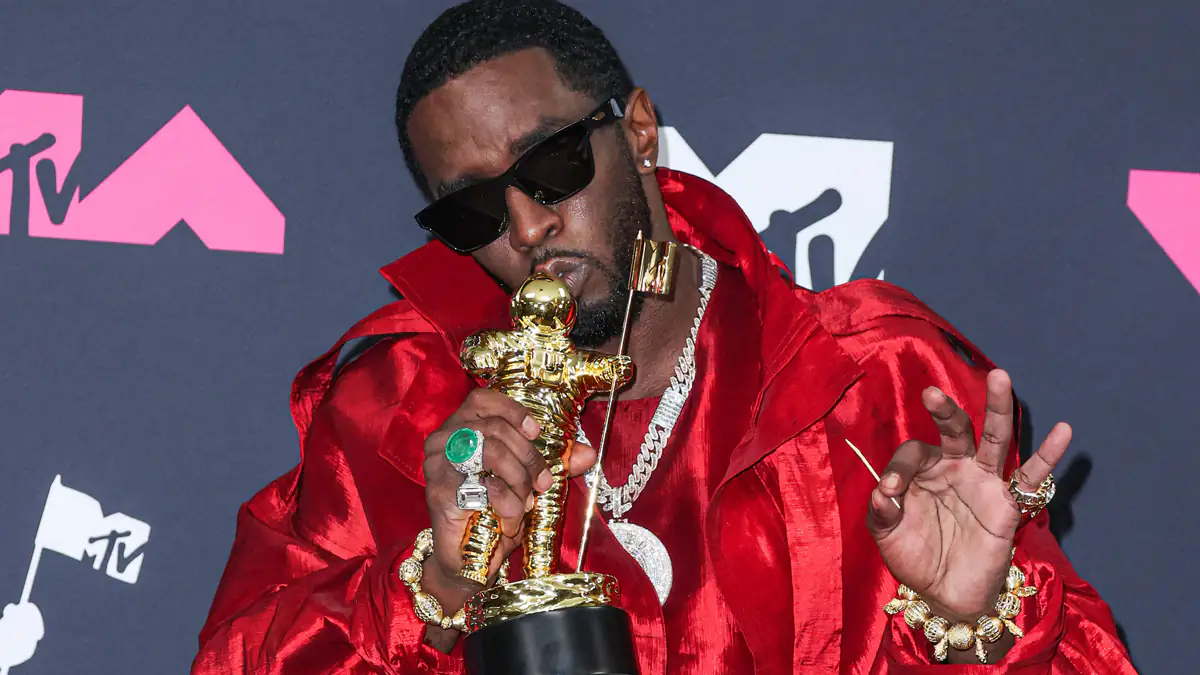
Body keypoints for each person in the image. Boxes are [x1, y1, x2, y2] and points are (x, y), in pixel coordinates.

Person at [192, 1, 1137, 673]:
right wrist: (434, 589)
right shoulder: (396, 415)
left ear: (639, 131)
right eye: (473, 210)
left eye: (552, 164)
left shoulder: (874, 381)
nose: (527, 228)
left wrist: (976, 624)